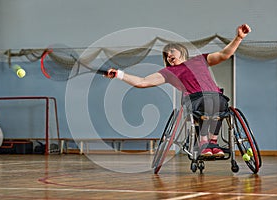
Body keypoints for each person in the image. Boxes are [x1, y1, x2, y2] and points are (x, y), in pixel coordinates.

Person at [105, 24, 251, 157]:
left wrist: (238, 38)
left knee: (219, 103)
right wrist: (119, 74)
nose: (169, 56)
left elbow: (224, 55)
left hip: (215, 96)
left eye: (171, 52)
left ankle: (212, 142)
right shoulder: (170, 71)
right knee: (207, 104)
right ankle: (204, 142)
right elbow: (142, 82)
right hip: (195, 99)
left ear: (182, 51)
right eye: (166, 55)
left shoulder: (200, 60)